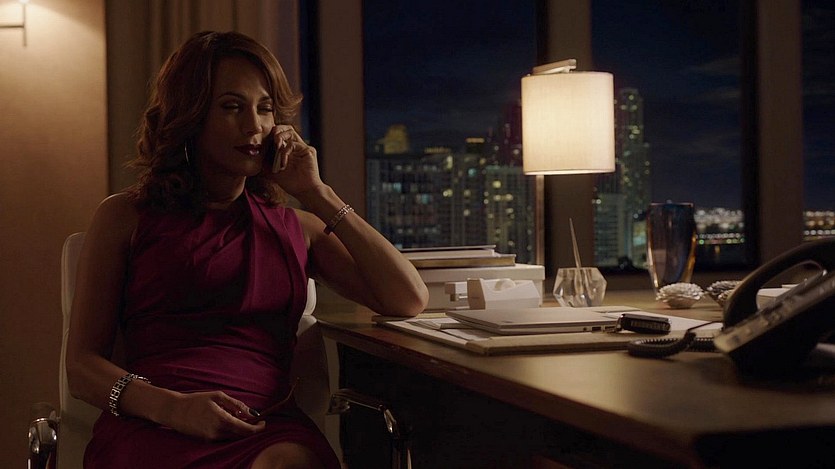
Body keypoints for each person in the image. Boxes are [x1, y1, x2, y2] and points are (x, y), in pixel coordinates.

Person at [65, 31, 428, 469]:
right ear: (191, 116)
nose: (254, 126)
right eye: (232, 107)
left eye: (265, 108)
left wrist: (317, 193)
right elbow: (82, 367)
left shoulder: (297, 228)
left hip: (265, 427)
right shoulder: (125, 217)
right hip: (154, 423)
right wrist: (173, 408)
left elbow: (407, 298)